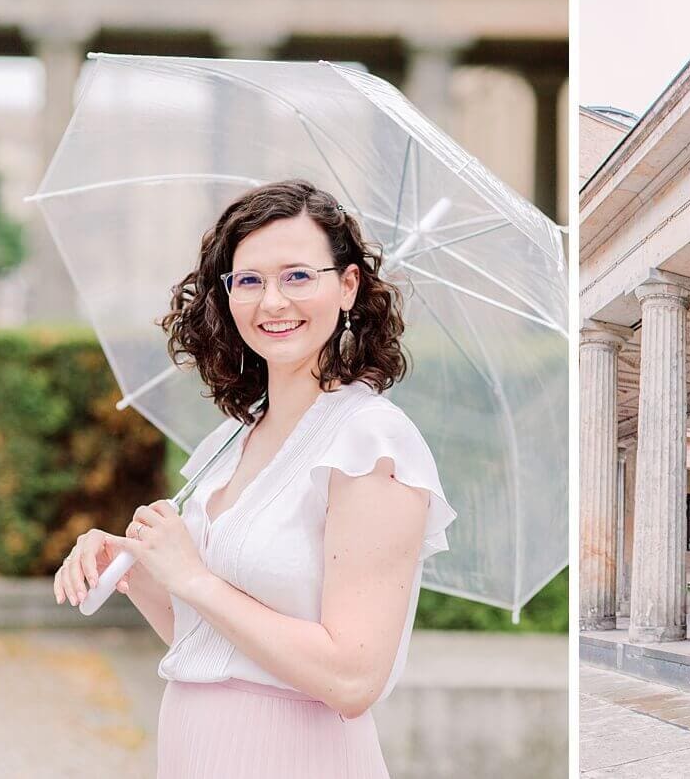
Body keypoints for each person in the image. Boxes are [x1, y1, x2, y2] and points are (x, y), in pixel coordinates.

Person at [52, 180, 456, 778]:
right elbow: (207, 646)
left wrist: (193, 577)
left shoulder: (371, 444)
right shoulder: (228, 443)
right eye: (249, 280)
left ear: (347, 287)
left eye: (298, 276)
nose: (272, 302)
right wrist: (141, 573)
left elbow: (352, 678)